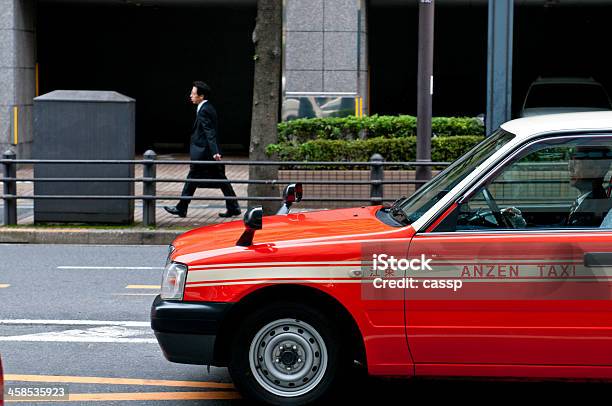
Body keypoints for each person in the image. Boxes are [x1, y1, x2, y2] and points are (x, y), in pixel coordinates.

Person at [164, 81, 241, 218]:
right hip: (206, 152)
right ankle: (233, 207)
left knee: (197, 178)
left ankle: (181, 208)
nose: (191, 96)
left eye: (193, 94)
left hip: (204, 153)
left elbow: (209, 131)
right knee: (218, 179)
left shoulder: (205, 110)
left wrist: (215, 151)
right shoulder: (205, 107)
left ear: (201, 96)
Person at [502, 144, 612, 228]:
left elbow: (568, 238)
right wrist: (524, 224)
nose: (570, 168)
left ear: (595, 171)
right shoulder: (587, 200)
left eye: (576, 163)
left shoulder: (595, 207)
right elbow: (562, 228)